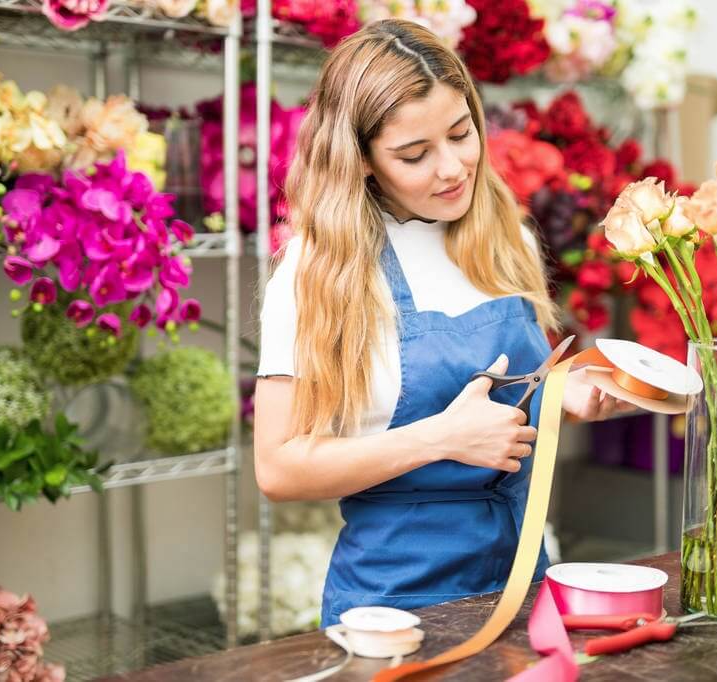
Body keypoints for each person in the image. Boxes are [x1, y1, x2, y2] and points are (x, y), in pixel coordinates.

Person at [254, 18, 630, 628]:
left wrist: (565, 395)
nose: (452, 168)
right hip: (392, 607)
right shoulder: (318, 271)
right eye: (414, 154)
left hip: (523, 585)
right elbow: (278, 467)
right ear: (364, 161)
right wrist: (440, 438)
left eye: (461, 134)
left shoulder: (503, 238)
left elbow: (506, 406)